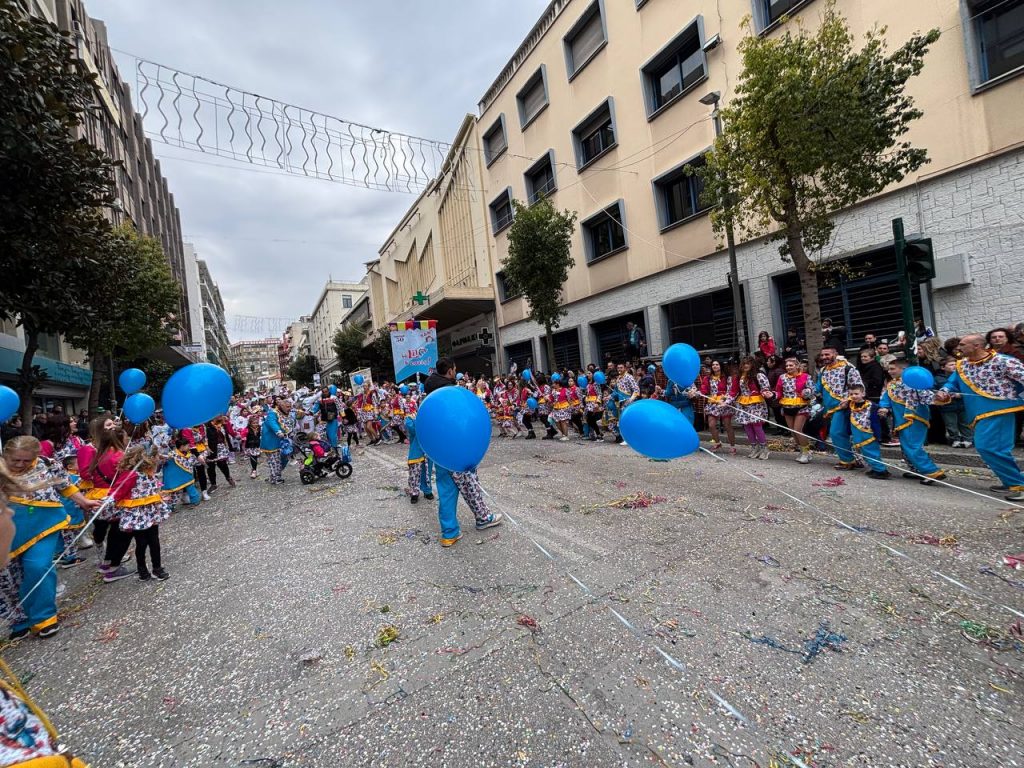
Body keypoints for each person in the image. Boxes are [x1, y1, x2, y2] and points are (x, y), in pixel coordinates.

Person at [1, 436, 99, 638]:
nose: (20, 465)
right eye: (15, 460)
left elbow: (65, 485)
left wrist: (83, 502)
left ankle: (44, 617)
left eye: (26, 461)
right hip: (9, 529)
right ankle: (19, 619)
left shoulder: (47, 464)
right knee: (8, 577)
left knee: (38, 566)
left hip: (44, 524)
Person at [423, 358, 501, 546]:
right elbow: (464, 416)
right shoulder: (454, 392)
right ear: (450, 371)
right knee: (470, 483)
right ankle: (483, 518)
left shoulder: (428, 392)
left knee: (446, 490)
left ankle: (449, 533)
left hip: (439, 449)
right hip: (459, 444)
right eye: (455, 369)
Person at [938, 334, 1024, 501]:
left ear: (977, 345)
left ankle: (1018, 483)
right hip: (976, 411)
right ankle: (1011, 481)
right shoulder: (962, 364)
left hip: (999, 409)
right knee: (994, 449)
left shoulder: (1003, 361)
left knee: (987, 447)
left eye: (962, 345)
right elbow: (952, 382)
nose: (958, 348)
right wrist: (945, 391)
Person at [880, 359, 946, 485]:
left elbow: (927, 396)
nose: (889, 371)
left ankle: (932, 471)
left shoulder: (914, 382)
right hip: (900, 420)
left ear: (903, 370)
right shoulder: (892, 384)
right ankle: (917, 469)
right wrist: (884, 407)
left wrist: (939, 397)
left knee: (912, 446)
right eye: (889, 369)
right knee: (906, 446)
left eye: (893, 369)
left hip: (914, 419)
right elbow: (886, 397)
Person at [111, 445, 170, 581]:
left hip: (150, 511)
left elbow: (150, 489)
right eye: (156, 456)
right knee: (141, 543)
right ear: (148, 458)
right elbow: (117, 492)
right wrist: (109, 502)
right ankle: (142, 570)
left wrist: (159, 496)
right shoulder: (131, 475)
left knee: (154, 541)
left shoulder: (148, 473)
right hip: (137, 515)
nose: (158, 459)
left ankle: (157, 568)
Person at [814, 344, 863, 469]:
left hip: (845, 407)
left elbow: (859, 388)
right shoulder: (823, 370)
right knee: (842, 434)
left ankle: (848, 461)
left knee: (836, 433)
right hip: (830, 408)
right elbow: (817, 388)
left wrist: (847, 399)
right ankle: (852, 459)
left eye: (827, 354)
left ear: (835, 354)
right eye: (822, 355)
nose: (824, 357)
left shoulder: (848, 368)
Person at [731, 356, 773, 460]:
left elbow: (765, 388)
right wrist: (725, 401)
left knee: (756, 425)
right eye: (744, 363)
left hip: (756, 404)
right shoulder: (739, 377)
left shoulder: (758, 375)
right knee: (747, 426)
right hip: (743, 404)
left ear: (752, 364)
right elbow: (733, 391)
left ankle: (764, 448)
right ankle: (755, 447)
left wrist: (766, 393)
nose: (746, 365)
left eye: (748, 363)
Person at [844, 384, 889, 479]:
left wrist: (883, 411)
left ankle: (881, 470)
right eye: (851, 394)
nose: (853, 396)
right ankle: (875, 468)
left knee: (871, 452)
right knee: (865, 452)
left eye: (856, 393)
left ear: (863, 394)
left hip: (869, 433)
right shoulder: (850, 405)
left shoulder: (872, 405)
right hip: (857, 433)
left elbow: (880, 415)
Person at [775, 357, 814, 463]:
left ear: (797, 366)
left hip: (801, 406)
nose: (788, 367)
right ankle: (802, 450)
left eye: (791, 365)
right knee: (793, 432)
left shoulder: (806, 376)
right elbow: (778, 391)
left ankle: (807, 452)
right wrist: (773, 395)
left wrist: (807, 392)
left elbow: (812, 390)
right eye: (787, 366)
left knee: (798, 430)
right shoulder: (782, 377)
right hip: (787, 406)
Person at [933, 358, 973, 448]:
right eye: (951, 365)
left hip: (962, 405)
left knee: (965, 423)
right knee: (951, 424)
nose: (954, 366)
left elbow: (969, 389)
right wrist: (940, 395)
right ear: (943, 367)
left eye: (955, 364)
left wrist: (961, 395)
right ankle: (955, 439)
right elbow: (934, 390)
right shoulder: (938, 378)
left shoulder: (963, 376)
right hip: (947, 407)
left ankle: (968, 439)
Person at [700, 360, 736, 454]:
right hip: (713, 403)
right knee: (711, 425)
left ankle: (732, 446)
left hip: (724, 403)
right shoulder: (707, 378)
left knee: (727, 425)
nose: (714, 366)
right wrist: (697, 393)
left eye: (717, 364)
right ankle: (717, 443)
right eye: (713, 365)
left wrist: (725, 400)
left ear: (721, 366)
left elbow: (731, 390)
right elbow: (703, 390)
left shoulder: (727, 377)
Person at [163, 435, 201, 506]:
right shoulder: (172, 454)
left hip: (187, 475)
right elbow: (166, 464)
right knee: (175, 491)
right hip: (177, 477)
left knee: (191, 488)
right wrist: (166, 459)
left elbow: (194, 462)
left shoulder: (189, 454)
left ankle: (195, 501)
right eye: (187, 446)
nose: (188, 447)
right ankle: (170, 507)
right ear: (182, 446)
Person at [404, 415, 434, 504]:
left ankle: (427, 491)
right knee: (415, 472)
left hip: (428, 451)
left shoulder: (431, 418)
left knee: (427, 472)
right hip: (416, 450)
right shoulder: (411, 418)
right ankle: (414, 493)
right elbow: (413, 430)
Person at [260, 398, 290, 485]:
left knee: (280, 460)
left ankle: (275, 476)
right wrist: (278, 431)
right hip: (271, 441)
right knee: (274, 460)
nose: (289, 408)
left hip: (280, 441)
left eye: (290, 407)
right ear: (281, 406)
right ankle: (275, 478)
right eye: (287, 407)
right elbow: (272, 423)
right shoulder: (272, 413)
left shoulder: (284, 413)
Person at [205, 417, 236, 491]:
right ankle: (213, 484)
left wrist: (230, 447)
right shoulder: (207, 427)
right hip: (211, 448)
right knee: (211, 467)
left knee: (223, 464)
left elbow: (226, 437)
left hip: (221, 447)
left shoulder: (222, 425)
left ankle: (228, 477)